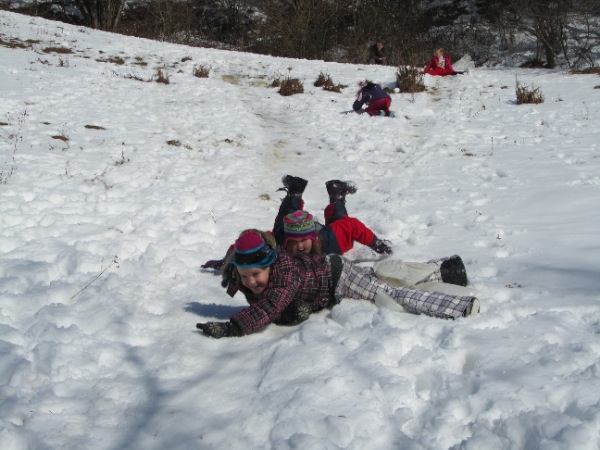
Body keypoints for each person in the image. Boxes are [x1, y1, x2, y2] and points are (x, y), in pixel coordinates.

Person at [196, 230, 480, 338]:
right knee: (381, 277)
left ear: (270, 263)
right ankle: (447, 271)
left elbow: (270, 306)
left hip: (338, 276)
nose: (250, 282)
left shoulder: (284, 273)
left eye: (256, 275)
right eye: (244, 276)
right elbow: (271, 305)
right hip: (326, 277)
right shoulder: (248, 275)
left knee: (390, 295)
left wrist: (234, 327)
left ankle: (458, 306)